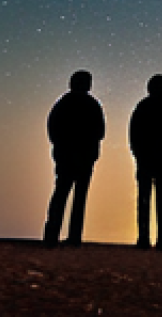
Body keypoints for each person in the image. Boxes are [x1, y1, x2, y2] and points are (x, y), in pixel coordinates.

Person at [42, 70, 106, 247]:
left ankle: (52, 234)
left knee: (61, 193)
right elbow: (100, 131)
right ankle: (74, 236)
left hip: (67, 156)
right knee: (78, 197)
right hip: (83, 157)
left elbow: (52, 127)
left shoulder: (64, 103)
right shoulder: (92, 104)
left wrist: (59, 147)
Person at [128, 74, 162, 250]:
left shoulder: (145, 107)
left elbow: (134, 134)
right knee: (159, 199)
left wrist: (137, 154)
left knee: (149, 199)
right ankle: (159, 239)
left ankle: (149, 238)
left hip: (151, 161)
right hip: (156, 161)